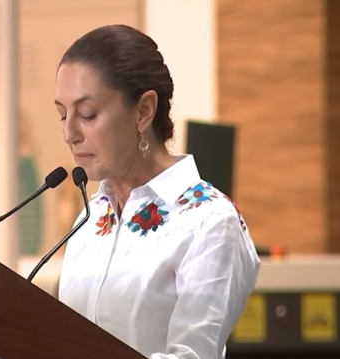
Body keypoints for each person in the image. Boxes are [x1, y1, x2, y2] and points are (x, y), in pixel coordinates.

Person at [54, 24, 260, 359]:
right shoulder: (93, 217)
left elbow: (193, 355)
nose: (69, 133)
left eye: (87, 114)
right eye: (62, 115)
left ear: (144, 110)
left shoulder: (209, 221)